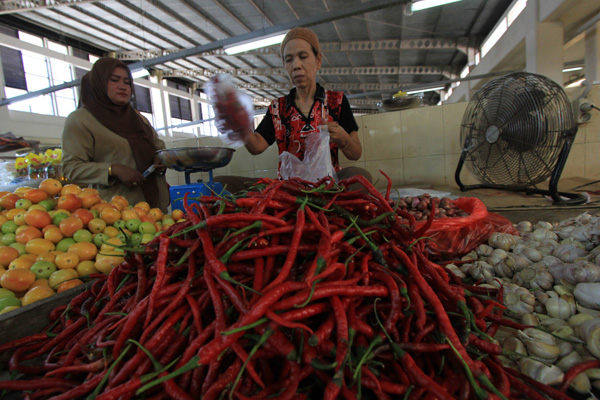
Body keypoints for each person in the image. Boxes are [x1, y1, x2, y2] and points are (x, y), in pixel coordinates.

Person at [214, 27, 372, 193]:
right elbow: (256, 147)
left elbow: (355, 153)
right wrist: (238, 122)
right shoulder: (277, 108)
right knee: (219, 183)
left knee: (360, 177)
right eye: (289, 60)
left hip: (327, 185)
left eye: (303, 57)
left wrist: (343, 138)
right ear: (284, 65)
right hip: (287, 188)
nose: (296, 65)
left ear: (318, 60)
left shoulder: (337, 101)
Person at [61, 57, 170, 212]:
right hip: (116, 212)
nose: (122, 86)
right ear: (99, 83)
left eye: (127, 82)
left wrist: (160, 157)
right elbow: (70, 167)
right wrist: (112, 169)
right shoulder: (81, 119)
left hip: (155, 207)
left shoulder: (137, 117)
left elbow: (157, 143)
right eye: (114, 80)